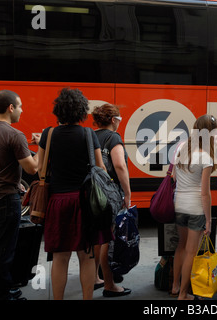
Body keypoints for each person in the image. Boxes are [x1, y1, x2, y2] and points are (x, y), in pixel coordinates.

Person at [38, 88, 104, 300]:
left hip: (57, 202)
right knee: (86, 256)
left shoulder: (48, 134)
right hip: (83, 202)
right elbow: (100, 169)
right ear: (82, 111)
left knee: (60, 257)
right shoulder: (88, 134)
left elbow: (39, 169)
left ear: (59, 110)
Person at [0, 90, 38, 300]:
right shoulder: (14, 134)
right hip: (4, 199)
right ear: (10, 108)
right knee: (4, 250)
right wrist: (40, 146)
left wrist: (16, 183)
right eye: (20, 106)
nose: (22, 110)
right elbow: (32, 168)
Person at [171, 114, 217, 300]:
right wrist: (208, 219)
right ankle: (183, 294)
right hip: (196, 207)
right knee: (192, 251)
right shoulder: (206, 156)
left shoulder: (181, 148)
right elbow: (205, 193)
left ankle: (175, 286)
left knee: (180, 247)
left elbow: (174, 178)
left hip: (179, 203)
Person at [91, 103, 132, 297]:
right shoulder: (113, 137)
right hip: (110, 194)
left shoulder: (90, 136)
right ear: (114, 120)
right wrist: (127, 193)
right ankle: (109, 284)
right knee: (108, 239)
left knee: (96, 237)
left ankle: (94, 277)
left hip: (92, 194)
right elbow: (120, 165)